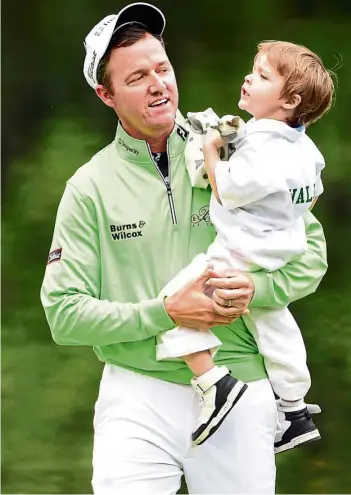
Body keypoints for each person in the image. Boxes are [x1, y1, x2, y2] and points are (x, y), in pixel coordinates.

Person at [40, 3, 328, 494]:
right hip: (135, 397)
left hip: (242, 391)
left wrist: (254, 286)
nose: (157, 84)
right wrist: (165, 312)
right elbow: (64, 315)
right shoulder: (88, 187)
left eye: (162, 68)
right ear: (105, 94)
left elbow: (310, 256)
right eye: (136, 78)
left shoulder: (238, 149)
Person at [156, 40, 334, 449]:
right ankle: (294, 410)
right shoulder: (304, 147)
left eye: (262, 76)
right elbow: (313, 194)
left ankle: (213, 383)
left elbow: (230, 190)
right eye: (253, 70)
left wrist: (210, 150)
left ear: (289, 100)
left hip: (238, 252)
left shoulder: (265, 148)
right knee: (275, 324)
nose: (248, 78)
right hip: (276, 252)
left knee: (175, 301)